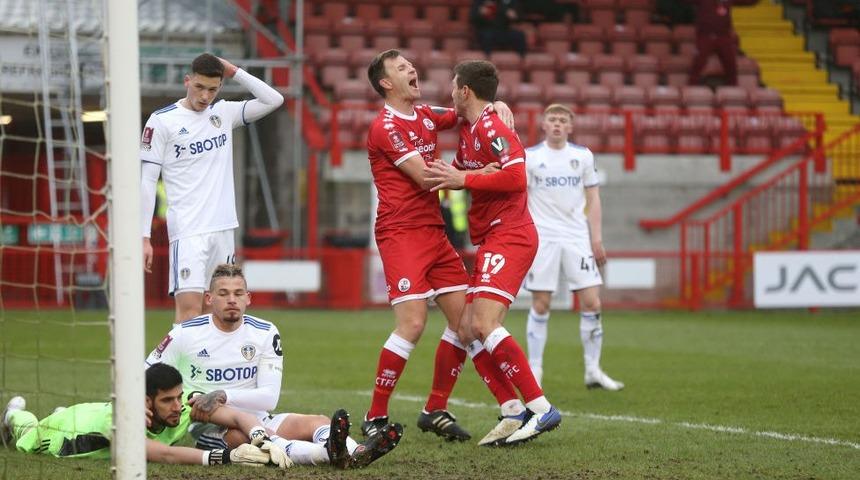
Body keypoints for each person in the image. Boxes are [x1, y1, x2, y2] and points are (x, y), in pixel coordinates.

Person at [362, 49, 523, 444]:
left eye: (410, 65)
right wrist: (479, 172)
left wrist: (495, 103)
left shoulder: (426, 115)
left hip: (434, 233)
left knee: (467, 325)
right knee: (414, 322)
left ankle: (461, 408)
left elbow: (469, 109)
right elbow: (424, 177)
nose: (411, 70)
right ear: (386, 83)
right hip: (400, 234)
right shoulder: (385, 127)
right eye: (401, 68)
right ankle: (375, 414)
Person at [425, 60, 561, 446]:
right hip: (494, 237)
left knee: (482, 324)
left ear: (465, 90)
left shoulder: (492, 126)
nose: (450, 91)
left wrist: (467, 178)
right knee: (466, 327)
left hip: (511, 236)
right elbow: (460, 173)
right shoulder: (470, 129)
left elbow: (517, 177)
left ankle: (539, 407)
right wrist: (465, 175)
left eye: (454, 85)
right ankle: (512, 410)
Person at [145, 264, 401, 469]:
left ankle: (357, 452)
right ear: (209, 299)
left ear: (248, 298)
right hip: (209, 425)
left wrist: (224, 394)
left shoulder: (265, 332)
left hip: (258, 417)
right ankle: (328, 453)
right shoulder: (184, 334)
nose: (231, 300)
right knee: (245, 437)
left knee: (318, 422)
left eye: (238, 293)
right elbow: (146, 374)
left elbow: (269, 398)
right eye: (223, 294)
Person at [140, 53, 284, 324]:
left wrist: (234, 71)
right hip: (188, 231)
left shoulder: (223, 113)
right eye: (199, 87)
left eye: (212, 89)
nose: (205, 96)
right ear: (187, 81)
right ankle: (173, 367)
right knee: (189, 313)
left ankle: (200, 369)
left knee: (216, 315)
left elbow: (274, 99)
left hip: (223, 229)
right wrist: (143, 236)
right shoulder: (162, 121)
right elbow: (147, 180)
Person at [0, 363, 289, 468]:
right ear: (146, 401)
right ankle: (14, 415)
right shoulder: (124, 423)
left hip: (89, 413)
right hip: (60, 436)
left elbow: (237, 417)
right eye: (167, 400)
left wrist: (260, 437)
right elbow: (163, 455)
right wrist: (226, 457)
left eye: (178, 396)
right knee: (27, 433)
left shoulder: (182, 407)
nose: (177, 406)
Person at [523, 104, 624, 391]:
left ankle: (593, 370)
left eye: (562, 120)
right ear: (543, 124)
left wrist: (596, 238)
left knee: (592, 301)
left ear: (570, 126)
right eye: (552, 119)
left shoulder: (582, 156)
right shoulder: (531, 157)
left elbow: (593, 198)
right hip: (543, 238)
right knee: (541, 303)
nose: (557, 124)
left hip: (577, 237)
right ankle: (535, 369)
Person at [688, 0, 738, 86]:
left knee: (731, 64)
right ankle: (691, 88)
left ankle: (733, 90)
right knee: (698, 63)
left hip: (723, 36)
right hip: (705, 36)